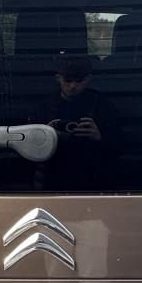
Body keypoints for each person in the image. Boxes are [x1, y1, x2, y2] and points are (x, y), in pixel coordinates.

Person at [37, 52, 121, 190]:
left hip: (92, 179)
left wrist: (99, 137)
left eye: (79, 81)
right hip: (54, 177)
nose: (73, 86)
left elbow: (119, 146)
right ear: (58, 78)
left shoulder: (102, 106)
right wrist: (45, 136)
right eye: (68, 80)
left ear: (88, 79)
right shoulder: (44, 107)